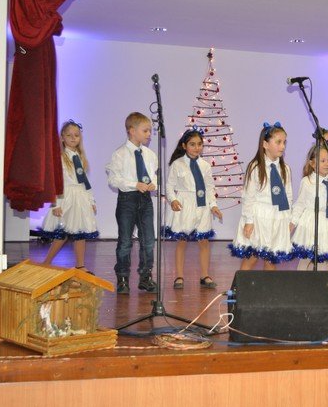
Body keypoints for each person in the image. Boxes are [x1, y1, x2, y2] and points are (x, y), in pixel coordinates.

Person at [229, 122, 293, 270]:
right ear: (265, 144)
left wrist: (288, 218)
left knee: (271, 260)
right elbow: (248, 197)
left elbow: (288, 195)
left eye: (284, 142)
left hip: (277, 218)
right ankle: (241, 285)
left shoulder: (285, 169)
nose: (283, 146)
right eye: (278, 142)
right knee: (252, 257)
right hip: (259, 218)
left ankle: (268, 286)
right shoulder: (255, 167)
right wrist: (249, 221)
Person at [164, 128, 223, 289]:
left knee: (204, 241)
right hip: (184, 206)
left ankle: (204, 275)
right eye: (192, 144)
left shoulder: (205, 165)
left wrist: (213, 205)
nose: (197, 148)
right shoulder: (177, 164)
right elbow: (169, 186)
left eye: (199, 144)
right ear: (184, 146)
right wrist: (173, 200)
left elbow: (209, 188)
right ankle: (179, 276)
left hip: (202, 206)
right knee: (182, 241)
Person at [105, 112, 158, 294]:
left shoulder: (150, 155)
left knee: (148, 240)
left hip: (145, 200)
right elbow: (113, 179)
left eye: (150, 130)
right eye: (145, 130)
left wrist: (153, 184)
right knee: (125, 241)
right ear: (132, 131)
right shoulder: (119, 154)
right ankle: (122, 278)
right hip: (127, 200)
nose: (149, 134)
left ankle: (145, 276)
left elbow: (154, 175)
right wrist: (134, 184)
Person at [41, 120, 99, 272]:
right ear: (62, 137)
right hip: (66, 197)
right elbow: (56, 182)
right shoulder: (60, 157)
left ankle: (80, 265)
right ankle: (46, 263)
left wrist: (91, 200)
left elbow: (84, 182)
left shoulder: (80, 157)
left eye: (76, 135)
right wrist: (56, 204)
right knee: (62, 233)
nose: (73, 138)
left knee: (80, 232)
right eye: (69, 135)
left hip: (80, 198)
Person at [291, 145, 328, 271]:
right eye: (323, 161)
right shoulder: (307, 181)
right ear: (312, 163)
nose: (327, 164)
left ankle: (324, 281)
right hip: (311, 224)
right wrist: (292, 222)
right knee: (307, 258)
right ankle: (300, 281)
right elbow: (300, 204)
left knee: (327, 256)